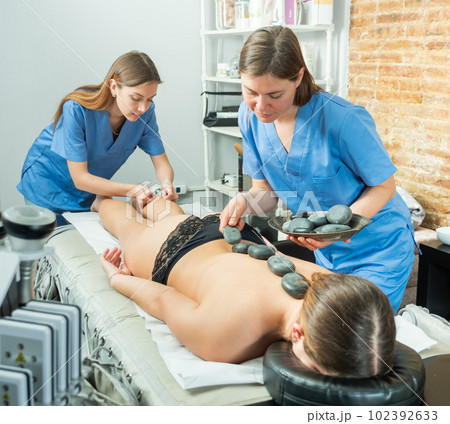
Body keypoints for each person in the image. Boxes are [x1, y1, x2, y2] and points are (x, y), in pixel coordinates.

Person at [218, 26, 415, 312]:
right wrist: (245, 202)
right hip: (326, 252)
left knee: (359, 327)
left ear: (298, 77)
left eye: (274, 94)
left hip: (379, 249)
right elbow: (265, 193)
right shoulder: (248, 118)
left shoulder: (342, 119)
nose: (260, 106)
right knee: (324, 326)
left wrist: (342, 228)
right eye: (250, 92)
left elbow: (385, 186)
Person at [94, 195, 396, 378]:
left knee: (172, 214)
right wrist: (117, 278)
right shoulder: (223, 339)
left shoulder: (327, 280)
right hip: (173, 251)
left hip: (236, 232)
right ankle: (97, 199)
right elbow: (163, 299)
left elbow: (274, 254)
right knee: (126, 226)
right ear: (297, 334)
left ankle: (149, 198)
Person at [17, 51, 178, 216]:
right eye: (136, 98)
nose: (143, 107)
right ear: (114, 87)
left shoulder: (145, 114)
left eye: (150, 99)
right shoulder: (76, 109)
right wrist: (132, 190)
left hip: (87, 191)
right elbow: (80, 178)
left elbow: (161, 161)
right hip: (47, 184)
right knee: (51, 231)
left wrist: (166, 184)